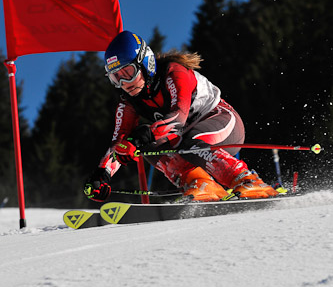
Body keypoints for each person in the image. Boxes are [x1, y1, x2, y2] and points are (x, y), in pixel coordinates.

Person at [83, 30, 278, 203]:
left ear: (146, 63)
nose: (124, 82)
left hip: (222, 120)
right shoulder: (128, 101)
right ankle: (200, 183)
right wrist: (103, 174)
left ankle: (247, 180)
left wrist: (143, 135)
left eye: (128, 72)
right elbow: (120, 142)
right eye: (116, 77)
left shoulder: (173, 73)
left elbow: (177, 119)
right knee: (151, 148)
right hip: (188, 138)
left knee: (188, 142)